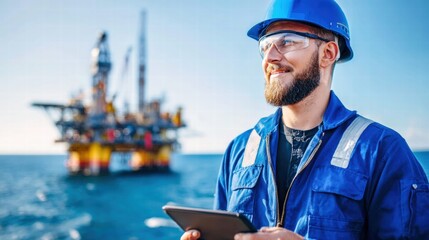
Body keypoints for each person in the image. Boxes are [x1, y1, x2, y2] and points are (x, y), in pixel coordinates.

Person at [181, 0, 429, 239]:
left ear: (328, 53)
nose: (270, 58)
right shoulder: (239, 149)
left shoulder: (382, 151)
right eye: (265, 46)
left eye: (287, 42)